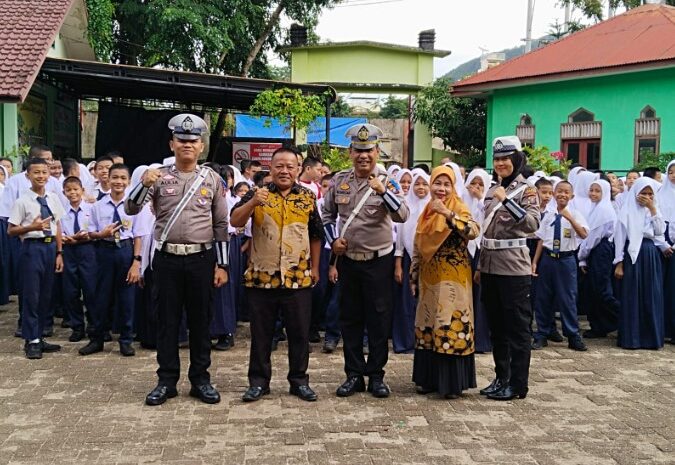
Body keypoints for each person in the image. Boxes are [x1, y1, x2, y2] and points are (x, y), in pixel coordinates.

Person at [126, 114, 230, 406]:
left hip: (201, 258)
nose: (187, 145)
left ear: (201, 146)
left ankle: (201, 380)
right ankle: (166, 381)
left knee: (201, 322)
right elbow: (132, 208)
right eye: (182, 140)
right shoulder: (157, 176)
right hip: (168, 259)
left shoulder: (212, 179)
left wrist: (222, 265)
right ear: (172, 143)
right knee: (166, 322)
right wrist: (143, 184)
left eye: (193, 141)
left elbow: (221, 224)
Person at [322, 123, 410, 398]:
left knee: (379, 319)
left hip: (378, 262)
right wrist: (333, 240)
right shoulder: (339, 181)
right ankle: (353, 375)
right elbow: (325, 215)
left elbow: (403, 215)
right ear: (350, 152)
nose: (363, 155)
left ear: (376, 152)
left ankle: (376, 375)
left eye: (369, 150)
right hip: (349, 261)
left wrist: (383, 191)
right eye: (358, 150)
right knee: (350, 318)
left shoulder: (388, 181)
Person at [231, 146, 323, 402]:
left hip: (298, 278)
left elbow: (316, 235)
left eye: (289, 166)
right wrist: (252, 202)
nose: (284, 171)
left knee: (299, 333)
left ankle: (299, 380)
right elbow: (235, 221)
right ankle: (259, 382)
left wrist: (315, 268)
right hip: (263, 277)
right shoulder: (256, 193)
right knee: (261, 334)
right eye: (279, 166)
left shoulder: (307, 197)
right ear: (270, 168)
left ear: (298, 169)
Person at [479, 136, 540, 401]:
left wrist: (506, 201)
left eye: (506, 159)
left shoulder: (526, 190)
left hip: (513, 268)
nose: (501, 163)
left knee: (517, 329)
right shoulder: (494, 188)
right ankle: (501, 377)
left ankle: (518, 384)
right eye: (497, 159)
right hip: (491, 265)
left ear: (516, 160)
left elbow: (532, 224)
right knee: (497, 328)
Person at [409, 165, 479, 398]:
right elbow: (418, 245)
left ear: (453, 186)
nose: (441, 189)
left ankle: (450, 383)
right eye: (437, 183)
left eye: (446, 184)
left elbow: (473, 231)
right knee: (429, 324)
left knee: (449, 325)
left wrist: (448, 215)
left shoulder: (458, 207)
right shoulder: (427, 211)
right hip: (429, 278)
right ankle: (428, 379)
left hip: (453, 278)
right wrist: (414, 275)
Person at [78, 164, 151, 357]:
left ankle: (126, 340)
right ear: (108, 180)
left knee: (127, 298)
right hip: (103, 251)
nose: (118, 182)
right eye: (115, 178)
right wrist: (100, 234)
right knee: (100, 297)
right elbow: (90, 232)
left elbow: (139, 236)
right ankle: (97, 338)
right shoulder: (97, 206)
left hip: (125, 251)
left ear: (128, 182)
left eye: (122, 178)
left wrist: (136, 262)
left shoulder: (135, 206)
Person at [7, 158, 64, 359]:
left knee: (46, 296)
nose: (41, 176)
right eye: (36, 173)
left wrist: (59, 253)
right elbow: (11, 230)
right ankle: (30, 340)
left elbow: (58, 227)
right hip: (31, 249)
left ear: (49, 175)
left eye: (44, 172)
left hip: (50, 248)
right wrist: (32, 227)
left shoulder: (53, 198)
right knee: (31, 295)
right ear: (28, 175)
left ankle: (40, 336)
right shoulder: (22, 201)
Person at [531, 181, 589, 351]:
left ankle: (572, 335)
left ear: (572, 196)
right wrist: (535, 261)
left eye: (566, 192)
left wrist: (569, 218)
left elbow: (584, 234)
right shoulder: (548, 215)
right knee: (543, 298)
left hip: (566, 260)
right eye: (560, 192)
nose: (562, 195)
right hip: (548, 259)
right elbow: (542, 239)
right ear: (554, 194)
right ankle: (542, 334)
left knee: (568, 298)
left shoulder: (576, 214)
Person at [614, 177, 666, 350]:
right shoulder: (626, 211)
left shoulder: (654, 210)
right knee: (632, 295)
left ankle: (651, 338)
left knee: (651, 294)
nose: (647, 197)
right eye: (643, 193)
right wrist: (619, 263)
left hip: (650, 254)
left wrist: (652, 208)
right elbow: (620, 239)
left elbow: (659, 231)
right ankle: (632, 338)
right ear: (635, 192)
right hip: (632, 255)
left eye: (650, 194)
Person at [393, 170, 429, 354]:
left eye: (424, 184)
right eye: (417, 183)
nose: (420, 187)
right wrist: (398, 264)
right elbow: (400, 237)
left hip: (428, 260)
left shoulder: (433, 207)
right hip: (408, 258)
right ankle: (405, 341)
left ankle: (423, 341)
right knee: (406, 302)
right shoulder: (407, 206)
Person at [578, 179, 620, 338]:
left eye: (597, 191)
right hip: (596, 251)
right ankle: (599, 326)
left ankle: (623, 317)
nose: (593, 194)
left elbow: (592, 238)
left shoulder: (603, 210)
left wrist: (582, 257)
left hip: (600, 251)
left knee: (601, 290)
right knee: (593, 290)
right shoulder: (595, 208)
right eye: (591, 190)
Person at [60, 176, 97, 342]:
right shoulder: (61, 212)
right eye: (68, 190)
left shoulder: (92, 208)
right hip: (69, 251)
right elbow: (58, 231)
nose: (72, 193)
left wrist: (81, 238)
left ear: (82, 191)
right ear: (64, 192)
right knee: (71, 291)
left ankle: (94, 325)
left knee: (91, 289)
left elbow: (96, 231)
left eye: (76, 189)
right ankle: (77, 326)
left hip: (87, 250)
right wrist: (64, 238)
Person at [464, 168, 492, 353]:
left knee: (481, 297)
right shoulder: (462, 202)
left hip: (482, 252)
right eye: (472, 184)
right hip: (465, 251)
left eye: (480, 184)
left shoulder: (487, 204)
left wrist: (481, 198)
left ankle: (481, 340)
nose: (475, 188)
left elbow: (488, 221)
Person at [657, 160, 675, 343]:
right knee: (661, 288)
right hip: (661, 243)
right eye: (671, 172)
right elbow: (655, 219)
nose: (674, 175)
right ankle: (663, 329)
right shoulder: (659, 194)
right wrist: (662, 244)